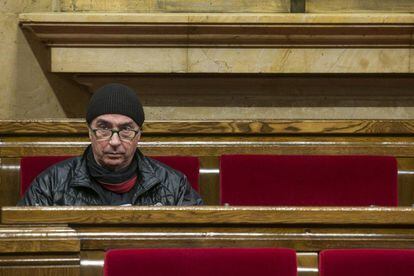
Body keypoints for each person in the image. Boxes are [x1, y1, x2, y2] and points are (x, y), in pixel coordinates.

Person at [18, 83, 203, 206]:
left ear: (139, 136)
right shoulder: (50, 184)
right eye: (104, 129)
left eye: (126, 130)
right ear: (90, 133)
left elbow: (197, 247)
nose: (114, 142)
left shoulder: (174, 185)